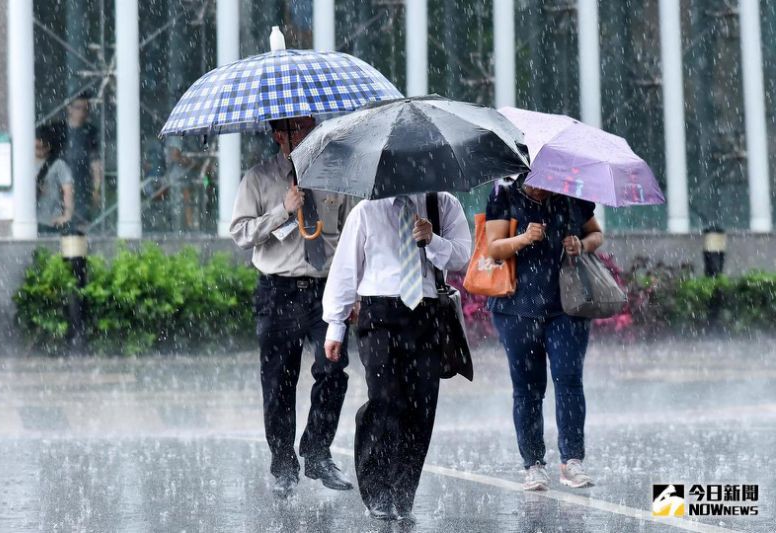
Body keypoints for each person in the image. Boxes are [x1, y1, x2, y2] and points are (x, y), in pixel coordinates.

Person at [323, 192, 471, 522]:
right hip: (380, 314)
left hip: (427, 313)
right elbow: (346, 268)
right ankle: (377, 491)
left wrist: (432, 240)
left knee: (421, 409)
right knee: (385, 400)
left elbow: (462, 256)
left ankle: (403, 493)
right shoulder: (365, 210)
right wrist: (335, 325)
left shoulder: (442, 203)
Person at [229, 115, 355, 499]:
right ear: (277, 134)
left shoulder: (337, 174)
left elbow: (353, 233)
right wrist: (283, 210)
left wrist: (356, 291)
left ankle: (317, 452)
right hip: (278, 292)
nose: (302, 135)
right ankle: (283, 463)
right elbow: (240, 233)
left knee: (334, 370)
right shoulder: (258, 178)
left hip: (325, 291)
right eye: (294, 129)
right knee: (279, 384)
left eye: (308, 127)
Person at [484, 175, 604, 491]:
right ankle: (534, 465)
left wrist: (581, 244)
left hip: (567, 305)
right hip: (516, 308)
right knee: (527, 388)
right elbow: (493, 249)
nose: (541, 188)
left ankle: (572, 461)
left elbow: (596, 234)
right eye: (535, 181)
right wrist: (523, 239)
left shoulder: (572, 193)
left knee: (569, 379)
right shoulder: (504, 193)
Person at [62, 92, 101, 227]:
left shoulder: (90, 131)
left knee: (81, 219)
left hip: (82, 184)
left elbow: (95, 162)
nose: (83, 112)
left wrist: (96, 188)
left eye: (86, 108)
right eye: (79, 108)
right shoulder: (60, 129)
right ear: (69, 108)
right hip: (61, 184)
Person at [35, 124, 75, 234]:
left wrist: (67, 215)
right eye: (36, 147)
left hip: (51, 220)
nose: (39, 151)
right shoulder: (24, 164)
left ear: (49, 147)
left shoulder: (58, 165)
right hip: (30, 220)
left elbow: (68, 190)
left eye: (42, 147)